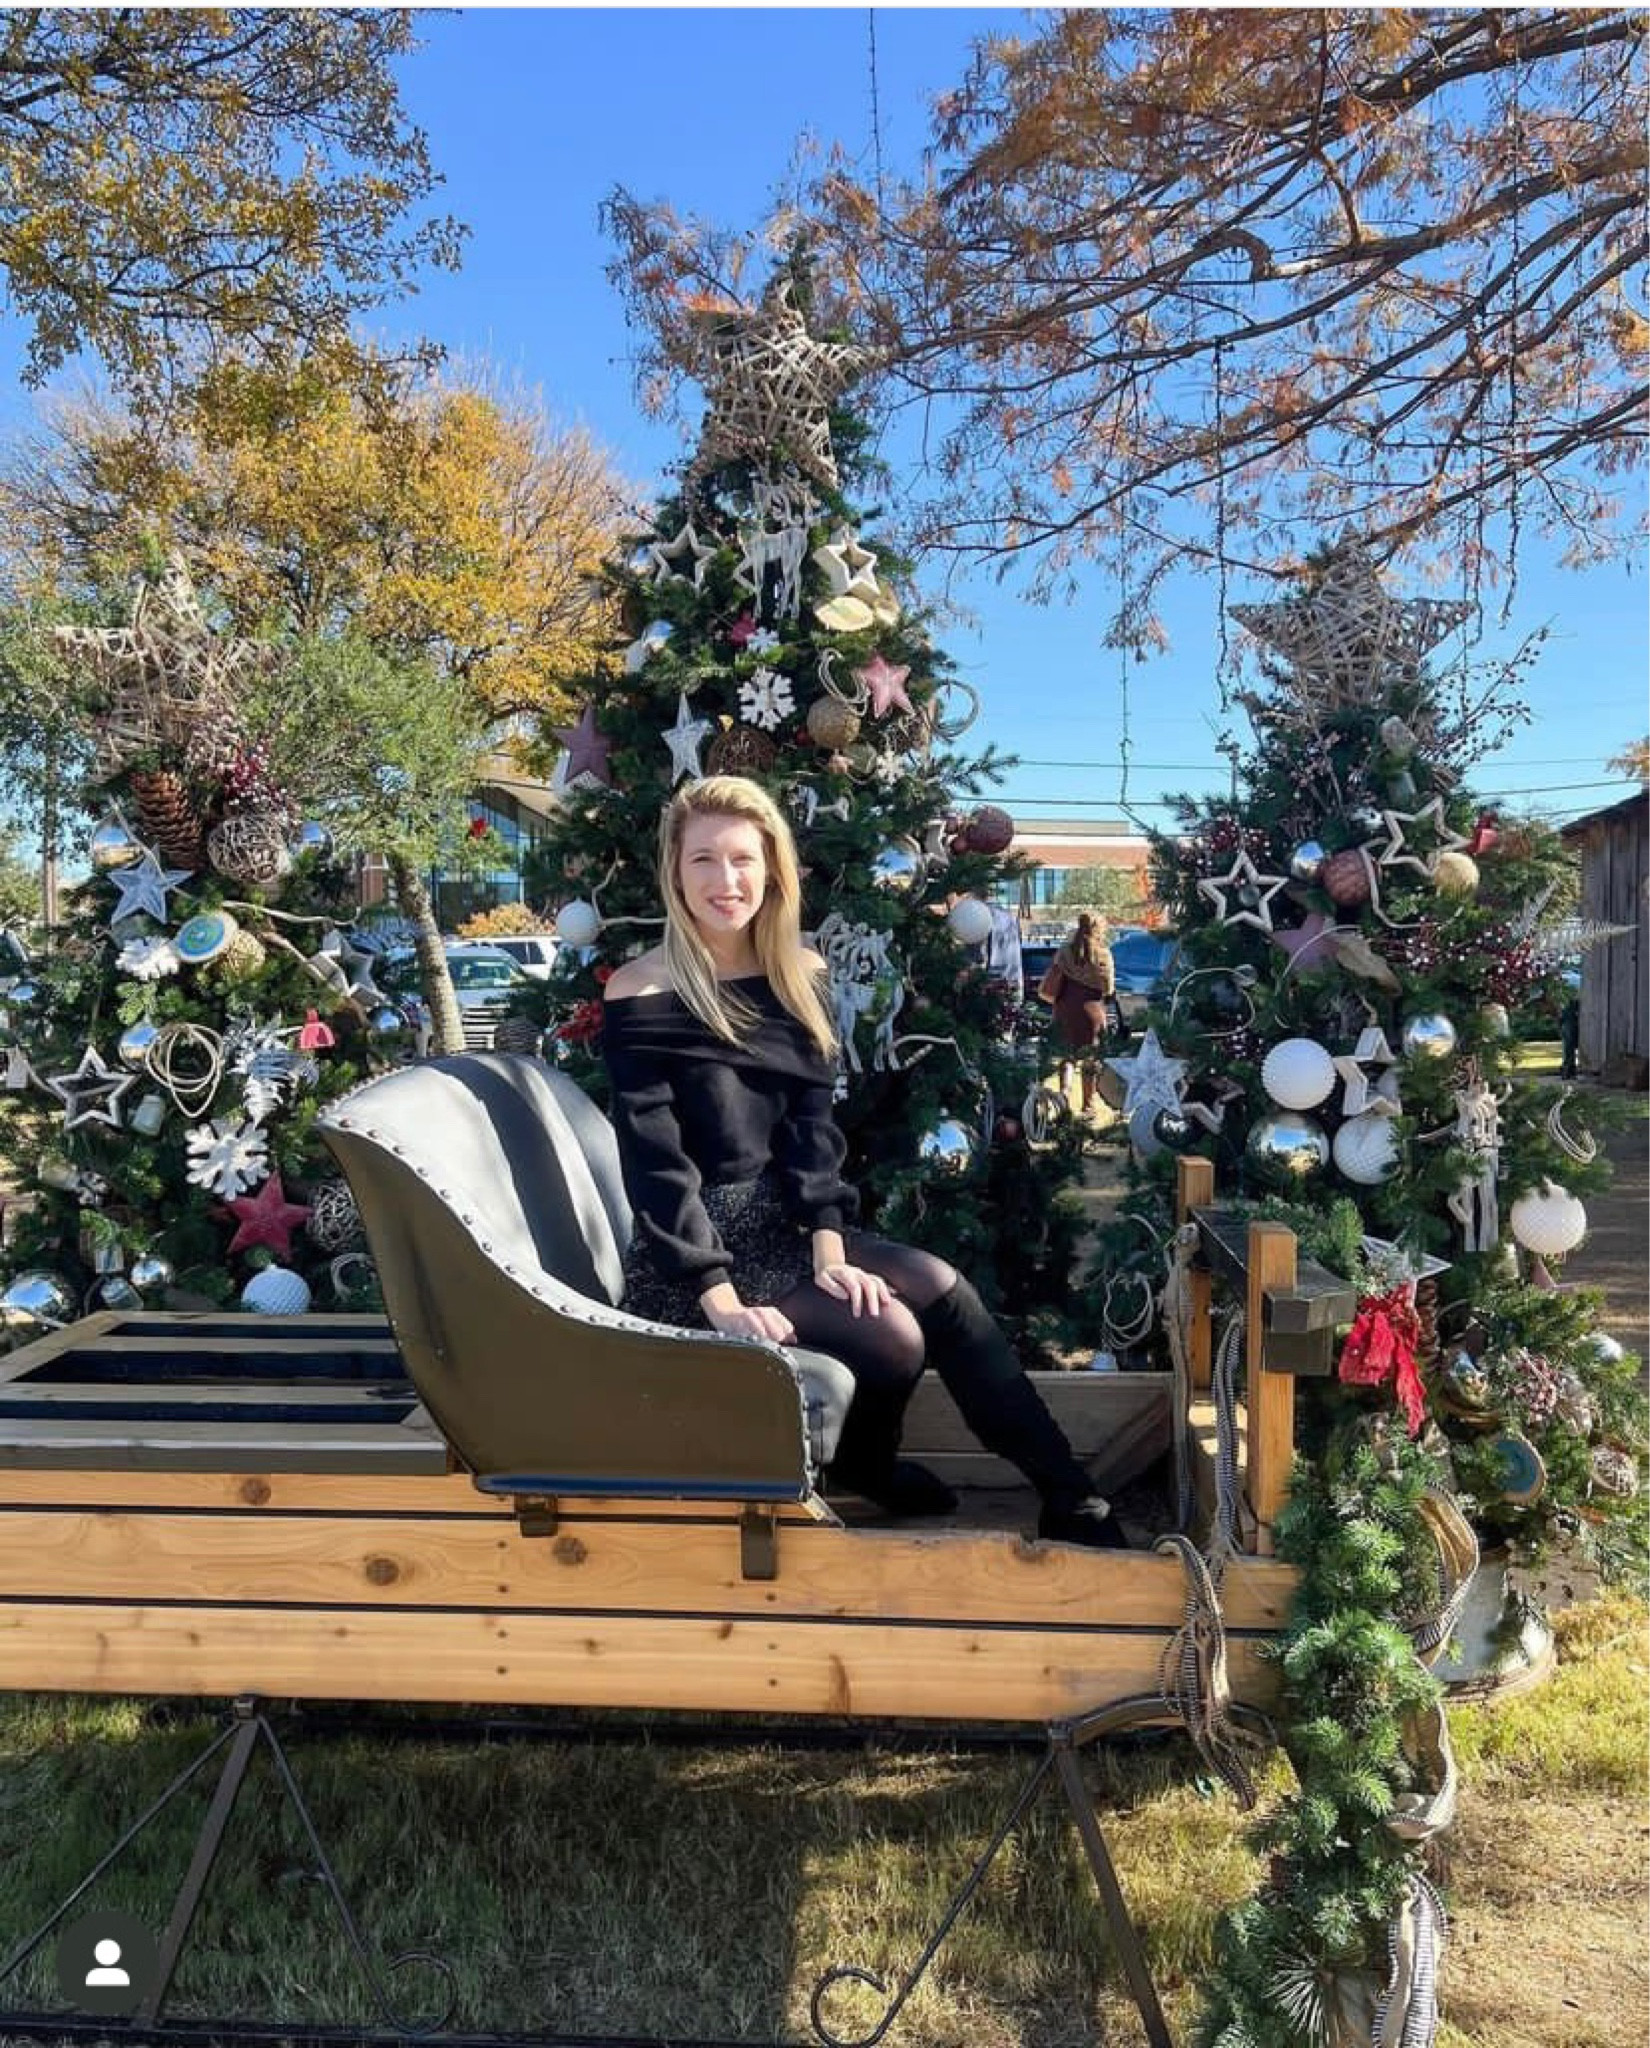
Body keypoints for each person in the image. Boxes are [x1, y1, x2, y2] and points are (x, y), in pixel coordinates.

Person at [600, 775, 1125, 1548]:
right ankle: (867, 1469)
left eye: (744, 859)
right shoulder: (640, 989)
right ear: (674, 871)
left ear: (774, 868)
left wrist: (829, 1247)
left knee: (941, 1289)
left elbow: (812, 1131)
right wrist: (717, 1299)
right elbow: (657, 1166)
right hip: (691, 1255)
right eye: (703, 860)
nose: (726, 880)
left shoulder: (797, 972)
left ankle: (1070, 1497)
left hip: (780, 1223)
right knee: (894, 1338)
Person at [1036, 913, 1116, 1114]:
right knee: (1090, 1059)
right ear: (1100, 930)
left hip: (1065, 1008)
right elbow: (1108, 989)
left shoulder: (1064, 952)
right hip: (1093, 1011)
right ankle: (1088, 1105)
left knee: (1067, 1056)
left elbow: (1053, 978)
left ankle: (1064, 1095)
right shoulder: (1104, 954)